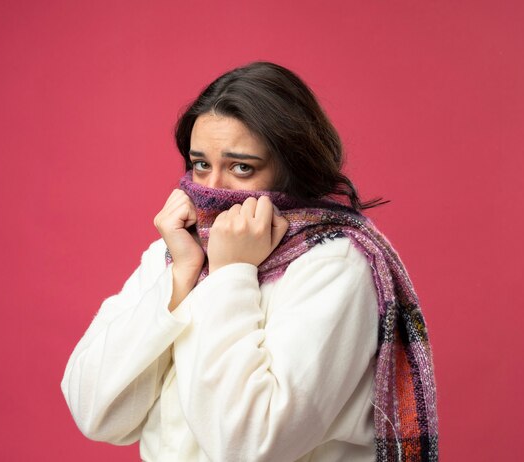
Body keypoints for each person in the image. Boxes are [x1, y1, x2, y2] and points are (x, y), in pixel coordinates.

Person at [61, 62, 438, 462]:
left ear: (292, 167)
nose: (212, 189)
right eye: (201, 164)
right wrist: (182, 275)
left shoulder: (335, 262)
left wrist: (230, 274)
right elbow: (95, 412)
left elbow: (247, 445)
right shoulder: (180, 253)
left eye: (241, 167)